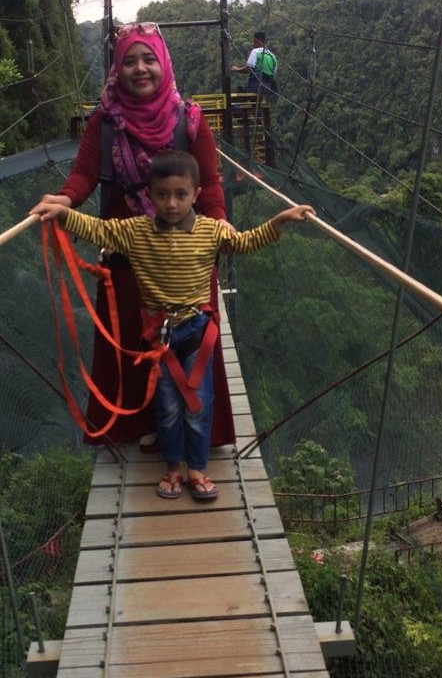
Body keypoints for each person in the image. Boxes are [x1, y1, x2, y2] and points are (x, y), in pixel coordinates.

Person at [32, 150, 315, 499]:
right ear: (149, 196)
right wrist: (64, 212)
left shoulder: (210, 231)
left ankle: (196, 468)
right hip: (160, 335)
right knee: (166, 406)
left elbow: (244, 242)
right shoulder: (136, 232)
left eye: (181, 195)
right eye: (163, 195)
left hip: (198, 330)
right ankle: (173, 468)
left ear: (196, 195)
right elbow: (97, 228)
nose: (171, 203)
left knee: (198, 403)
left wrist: (281, 220)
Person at [31, 22, 236, 449]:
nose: (140, 69)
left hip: (185, 248)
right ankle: (142, 425)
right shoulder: (106, 122)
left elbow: (210, 183)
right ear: (117, 69)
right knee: (132, 337)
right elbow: (86, 173)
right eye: (129, 61)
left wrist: (217, 226)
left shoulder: (190, 120)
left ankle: (195, 435)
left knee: (193, 342)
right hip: (128, 248)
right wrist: (66, 200)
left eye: (148, 60)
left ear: (162, 63)